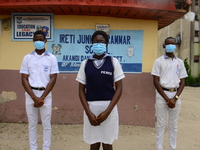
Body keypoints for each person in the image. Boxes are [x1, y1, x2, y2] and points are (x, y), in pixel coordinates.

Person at [76, 30, 125, 150]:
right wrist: (88, 113)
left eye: (101, 42)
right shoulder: (85, 63)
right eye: (95, 42)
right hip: (91, 108)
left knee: (108, 143)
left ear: (107, 44)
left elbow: (119, 88)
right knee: (94, 143)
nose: (98, 44)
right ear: (91, 44)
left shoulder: (113, 62)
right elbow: (81, 90)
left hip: (109, 107)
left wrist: (107, 112)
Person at [20, 30, 59, 150]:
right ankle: (33, 148)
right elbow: (24, 79)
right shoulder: (27, 58)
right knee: (32, 124)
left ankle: (46, 148)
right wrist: (33, 97)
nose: (38, 42)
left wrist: (42, 97)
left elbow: (53, 78)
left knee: (46, 124)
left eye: (41, 40)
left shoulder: (51, 58)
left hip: (45, 94)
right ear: (33, 41)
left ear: (45, 41)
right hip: (30, 93)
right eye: (36, 40)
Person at [151, 37, 188, 150]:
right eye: (168, 44)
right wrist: (167, 98)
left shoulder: (179, 62)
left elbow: (182, 82)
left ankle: (173, 147)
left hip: (175, 95)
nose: (171, 45)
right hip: (162, 95)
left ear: (175, 45)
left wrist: (175, 98)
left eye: (173, 43)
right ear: (164, 45)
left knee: (173, 125)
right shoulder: (158, 61)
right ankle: (159, 148)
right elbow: (155, 82)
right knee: (161, 124)